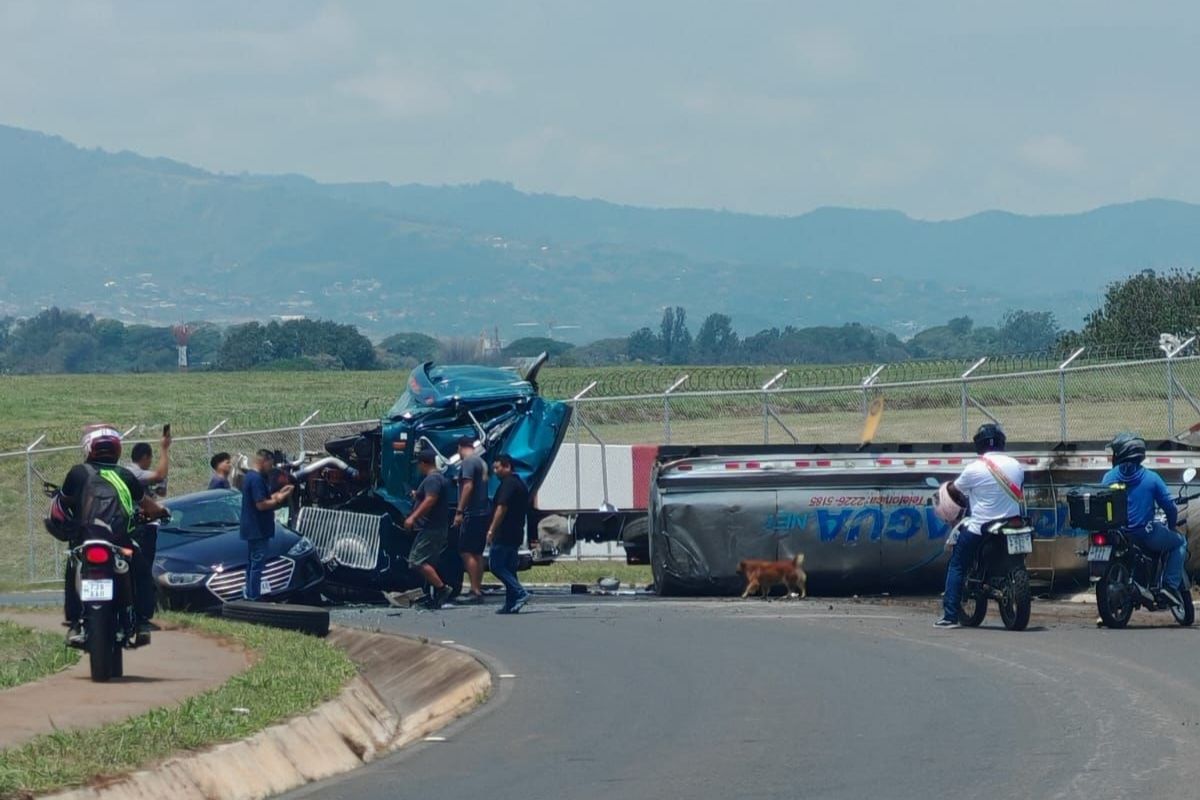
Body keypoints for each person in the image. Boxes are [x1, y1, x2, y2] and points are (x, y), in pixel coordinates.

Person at [59, 426, 168, 643]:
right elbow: (148, 505)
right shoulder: (124, 474)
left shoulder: (78, 473)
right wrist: (161, 512)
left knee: (72, 569)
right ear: (117, 450)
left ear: (88, 449)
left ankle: (74, 623)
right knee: (142, 572)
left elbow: (62, 504)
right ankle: (142, 621)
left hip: (85, 540)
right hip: (120, 540)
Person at [935, 423, 1025, 628]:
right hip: (1013, 523)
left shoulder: (974, 468)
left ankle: (949, 615)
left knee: (957, 564)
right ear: (1001, 442)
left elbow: (955, 491)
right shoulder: (1016, 465)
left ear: (979, 445)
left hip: (981, 526)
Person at [1101, 432, 1186, 608]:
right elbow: (1170, 508)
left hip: (1118, 535)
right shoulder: (1151, 478)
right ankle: (1170, 586)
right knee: (1179, 543)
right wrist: (1172, 527)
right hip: (1145, 534)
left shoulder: (1108, 478)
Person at [240, 449, 293, 601]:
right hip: (258, 528)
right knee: (257, 564)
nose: (272, 466)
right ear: (264, 461)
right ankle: (254, 596)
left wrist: (280, 492)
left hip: (252, 528)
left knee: (252, 563)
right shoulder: (256, 479)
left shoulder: (250, 477)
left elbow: (264, 498)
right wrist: (279, 499)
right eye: (271, 463)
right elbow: (261, 504)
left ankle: (250, 592)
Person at [405, 450, 454, 609]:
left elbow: (431, 500)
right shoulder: (436, 479)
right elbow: (426, 497)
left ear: (424, 463)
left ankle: (441, 589)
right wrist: (416, 495)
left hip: (432, 528)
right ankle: (431, 596)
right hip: (436, 527)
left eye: (419, 464)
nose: (418, 468)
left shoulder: (432, 479)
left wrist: (413, 517)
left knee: (416, 561)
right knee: (428, 562)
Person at [487, 454, 532, 614]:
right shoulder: (520, 483)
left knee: (496, 566)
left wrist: (492, 530)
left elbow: (502, 508)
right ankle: (511, 603)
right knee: (510, 569)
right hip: (516, 532)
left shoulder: (509, 484)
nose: (495, 471)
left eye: (497, 467)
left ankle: (520, 593)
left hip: (504, 532)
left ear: (507, 466)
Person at [453, 436, 490, 604]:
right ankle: (478, 587)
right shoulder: (481, 462)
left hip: (472, 512)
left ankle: (474, 590)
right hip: (483, 512)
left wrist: (460, 511)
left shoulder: (468, 462)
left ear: (460, 447)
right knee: (477, 552)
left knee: (465, 551)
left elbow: (468, 486)